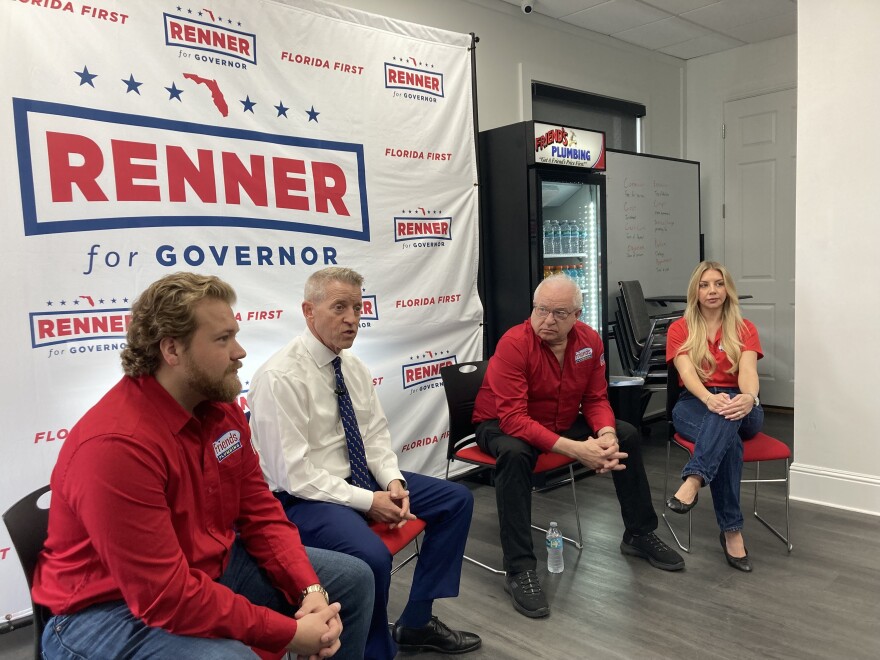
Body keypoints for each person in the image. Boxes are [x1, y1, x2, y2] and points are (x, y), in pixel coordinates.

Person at [32, 272, 374, 660]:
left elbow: (261, 513)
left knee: (351, 581)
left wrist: (309, 591)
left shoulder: (220, 408)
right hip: (107, 612)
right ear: (172, 350)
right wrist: (290, 632)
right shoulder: (117, 446)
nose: (240, 351)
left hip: (206, 570)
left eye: (235, 334)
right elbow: (164, 595)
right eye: (222, 339)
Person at [249, 267, 481, 660]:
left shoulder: (353, 366)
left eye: (357, 307)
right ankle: (375, 651)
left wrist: (391, 483)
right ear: (308, 310)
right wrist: (368, 501)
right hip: (303, 499)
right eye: (339, 307)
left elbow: (373, 437)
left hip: (359, 480)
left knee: (456, 500)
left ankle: (418, 621)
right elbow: (295, 475)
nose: (352, 319)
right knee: (371, 556)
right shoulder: (280, 377)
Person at [472, 273, 685, 619]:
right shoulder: (514, 343)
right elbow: (513, 420)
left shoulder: (590, 342)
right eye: (541, 310)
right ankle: (520, 568)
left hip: (559, 418)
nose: (546, 320)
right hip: (499, 423)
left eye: (558, 313)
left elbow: (596, 397)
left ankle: (638, 533)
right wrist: (576, 450)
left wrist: (605, 435)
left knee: (627, 433)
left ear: (576, 316)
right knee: (514, 453)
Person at [665, 261, 764, 572]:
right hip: (695, 401)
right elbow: (686, 373)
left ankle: (694, 479)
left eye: (718, 284)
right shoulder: (679, 329)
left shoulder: (745, 328)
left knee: (730, 411)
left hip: (743, 404)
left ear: (727, 289)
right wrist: (709, 398)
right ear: (695, 291)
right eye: (705, 284)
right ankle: (732, 531)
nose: (712, 291)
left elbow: (748, 372)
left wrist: (748, 398)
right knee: (728, 440)